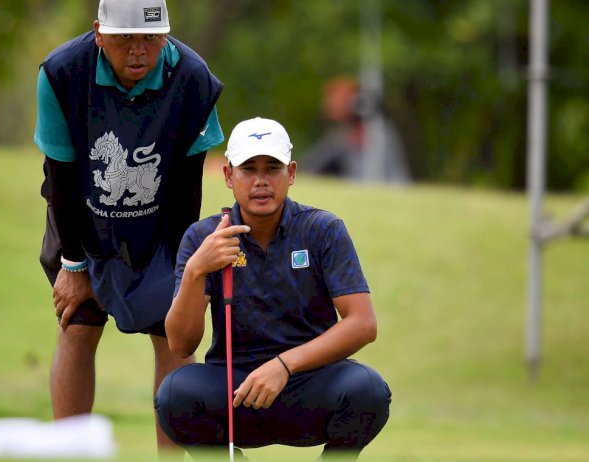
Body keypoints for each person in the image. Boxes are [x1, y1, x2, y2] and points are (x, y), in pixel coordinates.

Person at [34, 0, 223, 453]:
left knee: (174, 338)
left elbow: (186, 191)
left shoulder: (193, 79)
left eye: (150, 39)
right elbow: (61, 176)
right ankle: (72, 453)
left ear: (165, 36)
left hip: (162, 222)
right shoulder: (62, 73)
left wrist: (180, 277)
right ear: (99, 33)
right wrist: (75, 266)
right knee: (77, 322)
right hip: (78, 211)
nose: (138, 50)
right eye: (125, 39)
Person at [155, 117, 391, 459]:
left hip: (310, 382)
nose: (261, 181)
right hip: (235, 388)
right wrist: (195, 270)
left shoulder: (322, 229)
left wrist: (283, 365)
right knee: (175, 395)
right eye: (248, 169)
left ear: (291, 173)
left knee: (367, 390)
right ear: (227, 176)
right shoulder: (204, 238)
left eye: (272, 168)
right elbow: (181, 343)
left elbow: (362, 324)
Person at [303, 76, 411, 185]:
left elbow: (395, 177)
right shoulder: (342, 135)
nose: (329, 104)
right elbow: (313, 165)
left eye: (337, 99)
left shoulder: (378, 134)